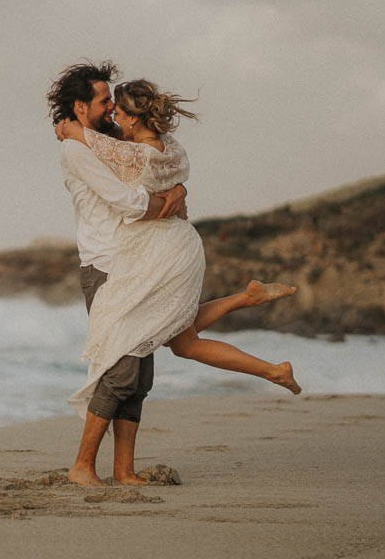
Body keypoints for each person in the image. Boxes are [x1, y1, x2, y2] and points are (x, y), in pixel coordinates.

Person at [48, 62, 300, 486]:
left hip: (139, 261)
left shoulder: (103, 141)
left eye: (114, 101)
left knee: (140, 375)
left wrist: (177, 192)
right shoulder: (77, 149)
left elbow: (149, 164)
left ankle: (124, 470)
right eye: (103, 101)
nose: (110, 109)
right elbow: (126, 200)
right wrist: (170, 202)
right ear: (80, 106)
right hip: (107, 264)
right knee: (121, 367)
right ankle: (82, 466)